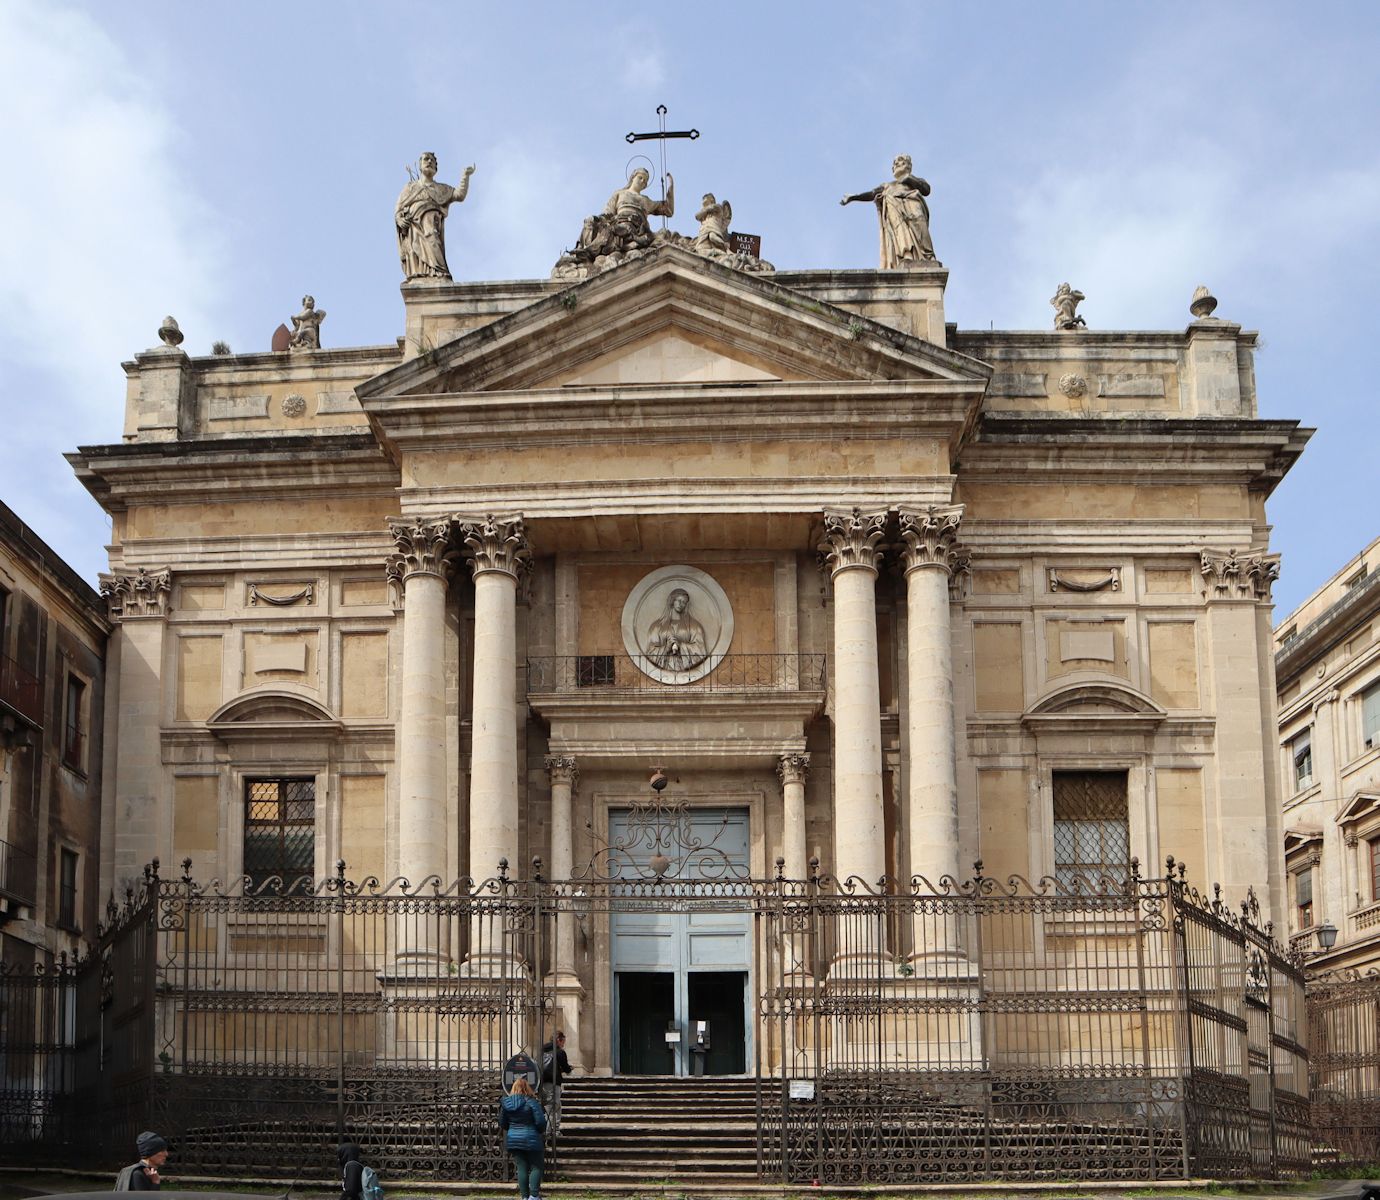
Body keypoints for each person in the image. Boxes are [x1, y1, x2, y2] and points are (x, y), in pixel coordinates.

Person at [840, 153, 938, 269]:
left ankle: (928, 256)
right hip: (895, 208)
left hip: (913, 204)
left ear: (908, 165)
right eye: (894, 163)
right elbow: (872, 193)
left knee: (921, 229)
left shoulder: (915, 180)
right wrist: (854, 197)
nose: (896, 163)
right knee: (900, 232)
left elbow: (926, 189)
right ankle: (906, 256)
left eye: (900, 160)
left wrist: (909, 179)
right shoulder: (887, 185)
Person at [395, 152, 476, 281]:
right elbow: (399, 208)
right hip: (415, 226)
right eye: (426, 159)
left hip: (432, 224)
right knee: (416, 247)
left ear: (436, 168)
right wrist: (400, 219)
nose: (429, 162)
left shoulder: (441, 189)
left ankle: (439, 271)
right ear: (420, 165)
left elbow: (459, 195)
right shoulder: (410, 188)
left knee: (433, 240)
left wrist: (465, 176)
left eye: (432, 160)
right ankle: (422, 272)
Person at [499, 1076, 547, 1200]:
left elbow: (503, 1123)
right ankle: (534, 1195)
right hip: (531, 1138)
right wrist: (539, 1131)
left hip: (514, 1139)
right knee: (536, 1166)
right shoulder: (531, 1102)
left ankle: (524, 1197)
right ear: (527, 1088)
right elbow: (541, 1121)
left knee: (521, 1167)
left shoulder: (506, 1103)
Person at [644, 588, 708, 671]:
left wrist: (681, 646)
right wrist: (666, 648)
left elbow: (700, 650)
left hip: (684, 668)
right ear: (672, 600)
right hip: (664, 668)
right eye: (678, 600)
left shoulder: (694, 626)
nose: (681, 604)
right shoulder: (657, 626)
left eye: (684, 602)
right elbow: (650, 651)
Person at [540, 1030, 574, 1136]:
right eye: (563, 1041)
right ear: (559, 1040)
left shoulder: (542, 1050)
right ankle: (551, 1131)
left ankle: (548, 1129)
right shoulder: (559, 1052)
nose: (563, 1044)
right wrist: (569, 1068)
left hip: (542, 1082)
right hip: (554, 1083)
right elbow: (567, 1069)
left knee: (547, 1107)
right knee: (554, 1107)